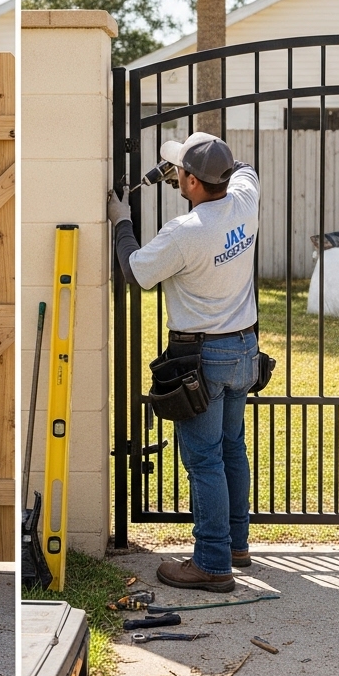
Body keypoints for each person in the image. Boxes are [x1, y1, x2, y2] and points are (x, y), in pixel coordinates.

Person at [108, 132, 260, 592]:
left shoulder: (186, 232)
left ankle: (212, 564)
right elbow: (245, 166)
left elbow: (133, 270)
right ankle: (236, 544)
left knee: (205, 460)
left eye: (180, 171)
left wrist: (122, 221)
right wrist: (183, 167)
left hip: (203, 357)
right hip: (243, 349)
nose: (176, 175)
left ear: (192, 182)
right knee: (232, 446)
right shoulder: (244, 200)